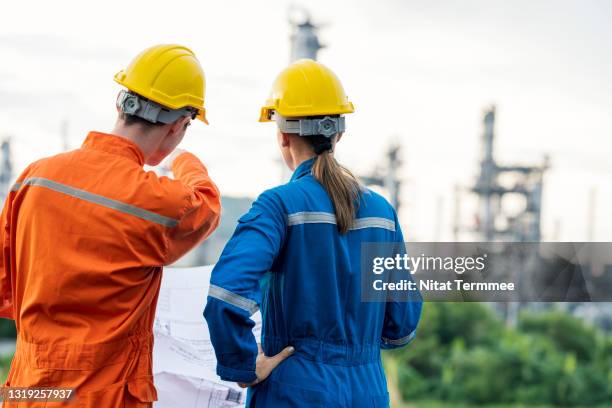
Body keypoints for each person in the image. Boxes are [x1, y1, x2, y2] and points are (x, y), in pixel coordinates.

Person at [0, 44, 221, 407]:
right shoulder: (157, 201)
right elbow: (206, 204)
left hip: (28, 388)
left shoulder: (34, 178)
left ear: (121, 104)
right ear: (181, 125)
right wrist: (185, 160)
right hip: (100, 395)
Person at [204, 59, 422, 407]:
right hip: (367, 392)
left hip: (294, 390)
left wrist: (244, 364)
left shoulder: (278, 206)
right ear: (338, 133)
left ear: (282, 136)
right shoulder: (382, 213)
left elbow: (225, 296)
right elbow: (402, 324)